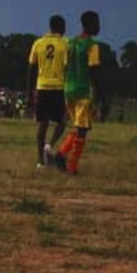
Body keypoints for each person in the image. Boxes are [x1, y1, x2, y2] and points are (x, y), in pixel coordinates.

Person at [53, 11, 105, 176]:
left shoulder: (71, 42)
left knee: (77, 125)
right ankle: (70, 163)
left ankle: (62, 154)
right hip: (83, 90)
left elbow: (65, 64)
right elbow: (94, 70)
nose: (99, 27)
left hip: (69, 89)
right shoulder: (91, 45)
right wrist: (100, 92)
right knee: (82, 129)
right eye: (97, 23)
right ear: (91, 25)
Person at [28, 15, 68, 169]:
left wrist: (30, 90)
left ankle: (40, 161)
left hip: (42, 86)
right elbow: (67, 66)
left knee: (42, 124)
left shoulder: (38, 43)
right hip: (58, 86)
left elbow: (31, 67)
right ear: (61, 27)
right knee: (61, 121)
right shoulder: (64, 44)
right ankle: (49, 145)